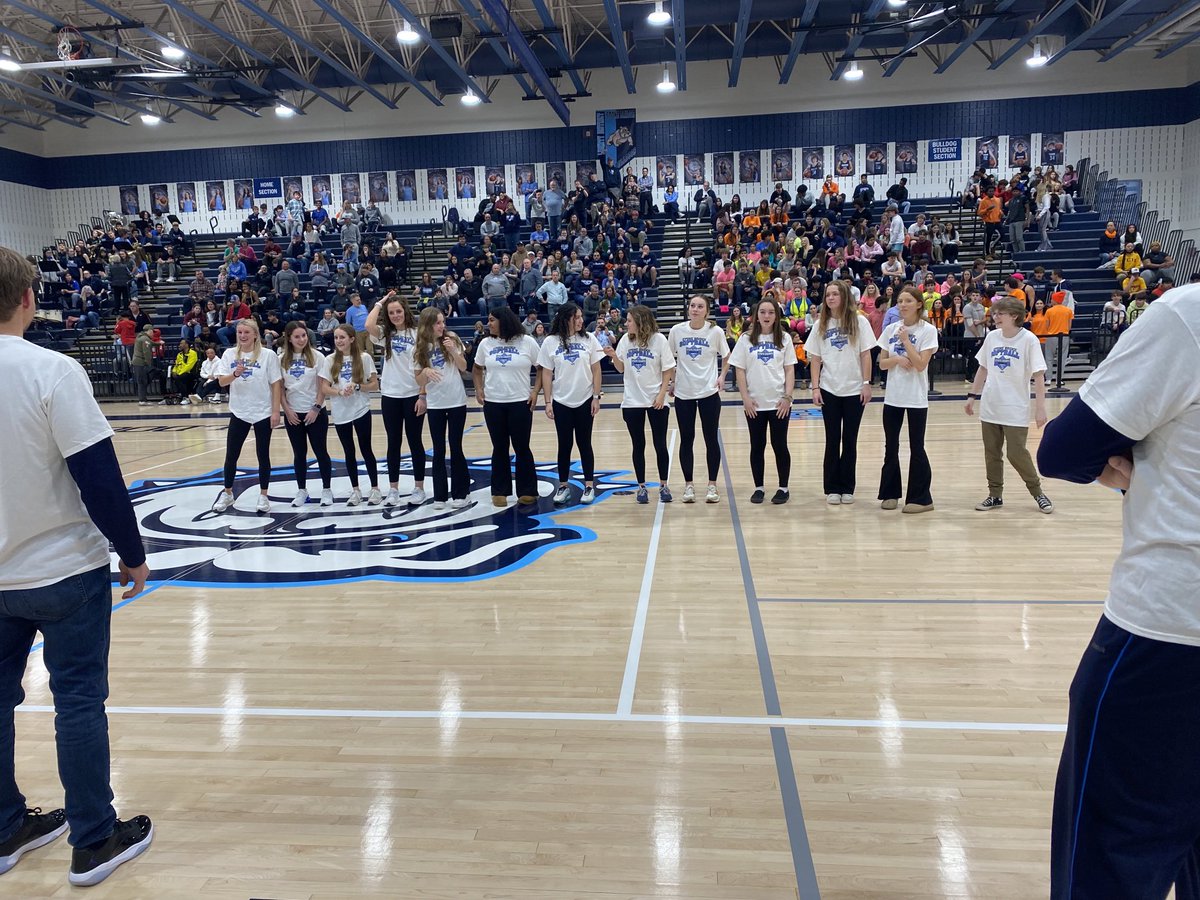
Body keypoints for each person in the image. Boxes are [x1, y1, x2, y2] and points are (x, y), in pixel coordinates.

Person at [1035, 282, 1200, 900]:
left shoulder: (1187, 317)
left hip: (1169, 638)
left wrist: (1123, 463)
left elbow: (1066, 447)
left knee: (1109, 861)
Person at [0, 247, 153, 887]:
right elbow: (98, 476)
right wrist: (133, 552)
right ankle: (93, 838)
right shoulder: (53, 371)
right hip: (64, 570)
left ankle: (5, 828)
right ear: (30, 299)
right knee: (79, 702)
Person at [963, 297, 1053, 514]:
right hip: (991, 405)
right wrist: (972, 395)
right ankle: (995, 496)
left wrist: (1040, 408)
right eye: (994, 314)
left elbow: (1039, 375)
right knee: (992, 453)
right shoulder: (992, 337)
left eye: (999, 314)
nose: (995, 317)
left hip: (1015, 406)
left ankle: (1037, 492)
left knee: (1016, 453)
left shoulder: (1028, 340)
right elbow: (983, 368)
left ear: (1014, 316)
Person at [806, 281, 874, 505]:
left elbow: (866, 355)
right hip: (829, 388)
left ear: (844, 297)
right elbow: (815, 359)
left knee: (850, 439)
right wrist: (815, 387)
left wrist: (866, 383)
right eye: (828, 294)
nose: (831, 298)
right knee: (832, 438)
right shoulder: (820, 324)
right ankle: (832, 487)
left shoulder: (860, 321)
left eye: (835, 294)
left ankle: (847, 487)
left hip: (854, 388)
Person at [604, 305, 676, 504]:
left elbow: (668, 369)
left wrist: (662, 394)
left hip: (656, 399)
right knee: (638, 445)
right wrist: (613, 356)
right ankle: (641, 486)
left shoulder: (659, 340)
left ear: (640, 321)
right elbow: (620, 369)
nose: (626, 324)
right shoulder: (626, 341)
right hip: (632, 401)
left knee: (660, 444)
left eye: (629, 320)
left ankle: (663, 485)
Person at [472, 307, 542, 508]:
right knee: (499, 447)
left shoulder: (526, 341)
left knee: (522, 447)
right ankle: (500, 491)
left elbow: (541, 368)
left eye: (492, 320)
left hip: (521, 402)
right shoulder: (485, 344)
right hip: (493, 403)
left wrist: (535, 391)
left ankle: (527, 490)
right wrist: (478, 389)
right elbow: (477, 369)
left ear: (504, 321)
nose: (489, 323)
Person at [877, 285, 938, 513]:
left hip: (916, 399)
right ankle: (890, 493)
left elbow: (921, 364)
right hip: (893, 397)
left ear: (919, 304)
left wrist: (905, 342)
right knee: (890, 446)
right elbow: (882, 363)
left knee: (917, 447)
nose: (902, 305)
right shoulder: (891, 328)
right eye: (900, 301)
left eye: (908, 301)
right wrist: (896, 361)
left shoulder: (927, 330)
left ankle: (922, 499)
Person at [212, 319, 283, 514]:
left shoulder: (268, 355)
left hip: (263, 411)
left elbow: (276, 384)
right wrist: (235, 373)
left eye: (246, 333)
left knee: (263, 455)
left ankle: (263, 495)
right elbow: (221, 382)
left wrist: (276, 411)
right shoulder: (228, 354)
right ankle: (227, 493)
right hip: (239, 411)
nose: (242, 336)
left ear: (255, 335)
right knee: (231, 455)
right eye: (239, 333)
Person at [731, 295, 795, 504]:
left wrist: (787, 397)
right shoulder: (745, 339)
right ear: (756, 316)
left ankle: (783, 488)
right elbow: (739, 371)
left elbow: (789, 370)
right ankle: (758, 487)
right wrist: (745, 399)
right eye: (762, 312)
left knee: (780, 445)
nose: (766, 316)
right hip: (755, 404)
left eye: (771, 312)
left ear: (776, 316)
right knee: (756, 446)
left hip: (778, 403)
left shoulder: (784, 339)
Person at [364, 293, 427, 507]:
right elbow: (368, 323)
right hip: (390, 395)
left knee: (415, 441)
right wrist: (380, 303)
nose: (395, 315)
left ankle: (419, 488)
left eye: (398, 311)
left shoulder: (418, 333)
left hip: (412, 395)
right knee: (393, 443)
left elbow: (424, 366)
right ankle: (393, 489)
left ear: (405, 312)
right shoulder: (385, 334)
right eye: (391, 313)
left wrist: (422, 394)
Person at [538, 302, 603, 506]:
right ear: (566, 318)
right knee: (564, 445)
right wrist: (548, 401)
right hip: (561, 401)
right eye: (577, 317)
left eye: (582, 316)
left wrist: (595, 396)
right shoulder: (550, 342)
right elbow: (546, 373)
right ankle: (564, 486)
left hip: (584, 399)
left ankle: (589, 485)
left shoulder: (589, 339)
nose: (581, 320)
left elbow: (597, 370)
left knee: (585, 444)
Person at [668, 296, 730, 504]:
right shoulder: (677, 331)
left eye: (700, 306)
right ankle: (689, 486)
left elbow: (727, 356)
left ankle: (712, 485)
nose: (695, 309)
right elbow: (669, 359)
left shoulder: (716, 332)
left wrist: (721, 376)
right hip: (684, 393)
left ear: (707, 311)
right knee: (687, 440)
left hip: (708, 392)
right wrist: (672, 381)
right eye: (692, 306)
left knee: (711, 439)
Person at [413, 308, 470, 508]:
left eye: (442, 322)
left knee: (456, 446)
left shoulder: (452, 338)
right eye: (438, 323)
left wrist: (454, 351)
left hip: (456, 401)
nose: (442, 326)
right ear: (428, 325)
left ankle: (461, 493)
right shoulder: (420, 347)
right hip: (435, 403)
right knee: (438, 449)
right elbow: (418, 378)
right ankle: (440, 496)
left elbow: (463, 367)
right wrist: (426, 371)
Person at [321, 324, 382, 506]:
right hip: (341, 412)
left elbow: (374, 385)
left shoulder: (364, 358)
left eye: (342, 337)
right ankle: (355, 490)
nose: (339, 341)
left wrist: (357, 386)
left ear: (352, 339)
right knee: (349, 452)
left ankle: (375, 488)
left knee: (366, 449)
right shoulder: (329, 360)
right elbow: (324, 387)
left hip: (361, 409)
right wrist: (339, 392)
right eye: (336, 338)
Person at [278, 321, 334, 508]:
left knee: (320, 452)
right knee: (299, 454)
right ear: (289, 338)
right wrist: (287, 410)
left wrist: (316, 408)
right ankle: (302, 490)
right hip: (293, 413)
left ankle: (327, 489)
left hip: (315, 412)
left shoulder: (318, 357)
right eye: (297, 336)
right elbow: (279, 389)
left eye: (304, 335)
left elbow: (322, 386)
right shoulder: (281, 359)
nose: (301, 339)